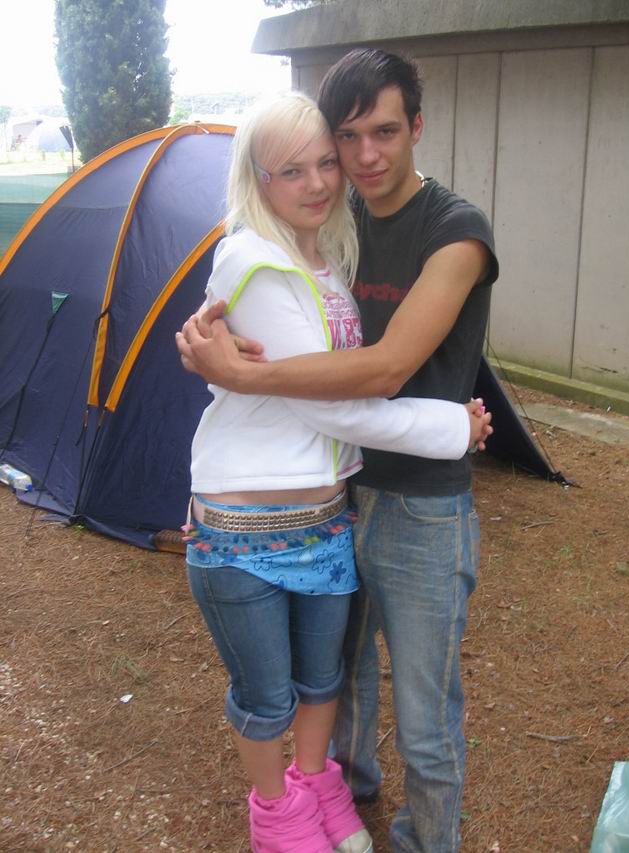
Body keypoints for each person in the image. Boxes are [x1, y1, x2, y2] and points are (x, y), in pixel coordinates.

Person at [179, 90, 492, 853]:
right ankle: (278, 816)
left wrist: (239, 376)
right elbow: (340, 405)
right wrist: (455, 427)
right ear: (257, 177)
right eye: (294, 169)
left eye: (327, 161)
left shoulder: (335, 248)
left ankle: (323, 789)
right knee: (272, 695)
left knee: (334, 683)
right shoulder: (256, 260)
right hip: (251, 524)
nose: (322, 180)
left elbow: (359, 374)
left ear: (416, 127)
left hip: (329, 513)